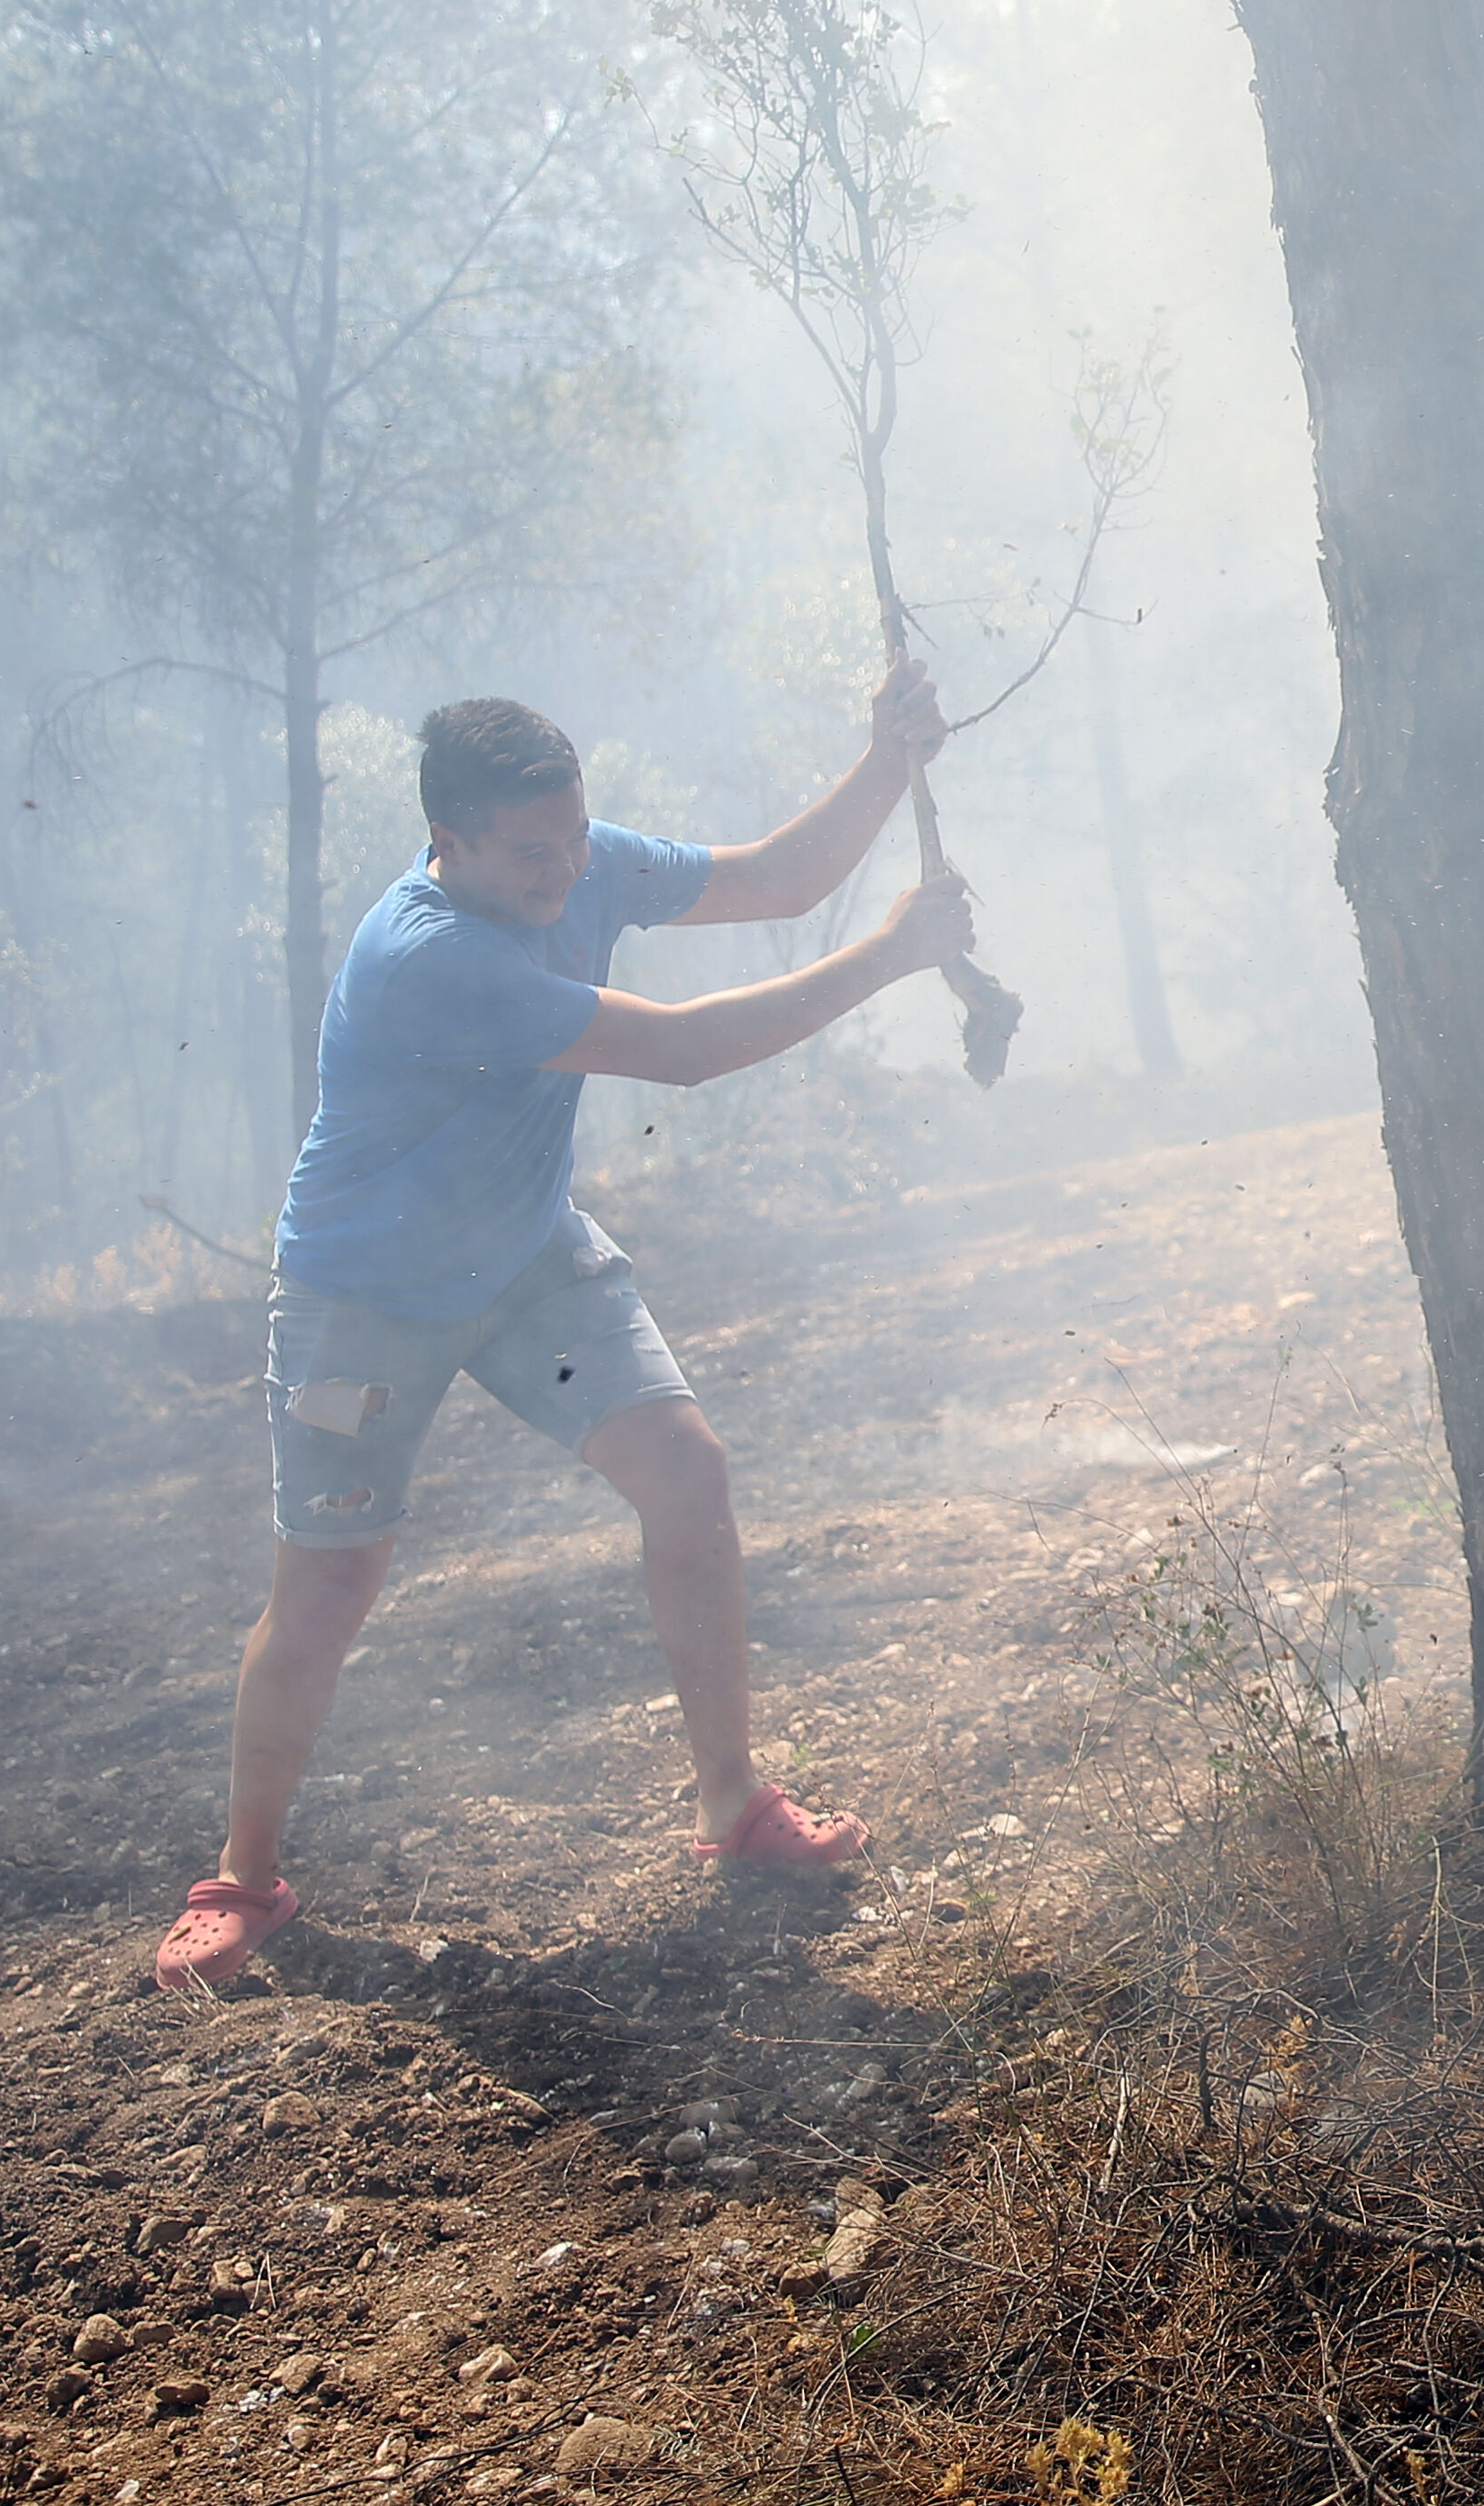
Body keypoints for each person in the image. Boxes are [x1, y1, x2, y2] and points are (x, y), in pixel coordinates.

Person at [154, 666, 978, 1994]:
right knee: (326, 1587)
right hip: (363, 1300)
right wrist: (891, 956)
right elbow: (687, 1050)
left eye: (576, 836)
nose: (566, 870)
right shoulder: (434, 959)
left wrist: (889, 759)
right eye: (533, 851)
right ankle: (242, 1881)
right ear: (450, 842)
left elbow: (774, 878)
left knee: (686, 1476)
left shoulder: (577, 860)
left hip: (529, 1253)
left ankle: (735, 1807)